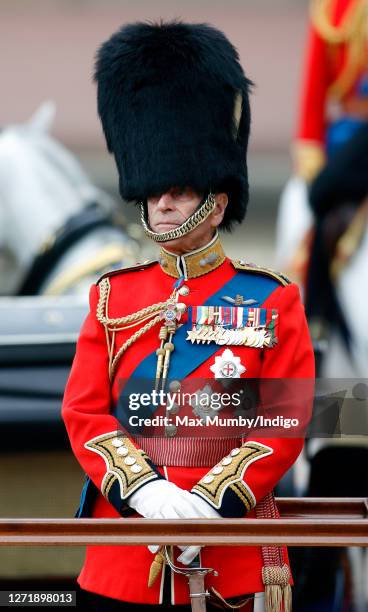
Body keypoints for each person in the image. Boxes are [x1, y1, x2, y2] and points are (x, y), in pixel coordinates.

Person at [62, 21, 314, 611]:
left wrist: (210, 503)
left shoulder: (270, 299)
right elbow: (84, 412)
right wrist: (145, 491)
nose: (161, 202)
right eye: (152, 192)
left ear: (216, 200)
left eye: (176, 189)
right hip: (125, 555)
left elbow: (284, 421)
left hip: (229, 555)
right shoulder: (111, 297)